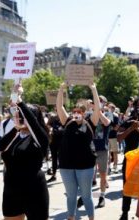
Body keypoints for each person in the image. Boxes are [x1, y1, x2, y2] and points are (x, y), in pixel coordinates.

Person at [0, 84, 50, 219]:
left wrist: (20, 101)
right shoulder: (15, 135)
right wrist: (16, 127)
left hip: (34, 190)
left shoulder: (40, 138)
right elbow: (0, 146)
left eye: (23, 115)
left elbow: (33, 125)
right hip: (11, 190)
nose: (20, 117)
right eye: (19, 115)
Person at [56, 82, 101, 220]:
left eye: (79, 112)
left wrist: (94, 90)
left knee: (86, 196)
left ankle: (91, 218)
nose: (76, 114)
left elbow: (98, 109)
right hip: (66, 165)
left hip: (85, 166)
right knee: (71, 196)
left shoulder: (90, 123)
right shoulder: (67, 122)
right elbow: (59, 106)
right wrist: (61, 89)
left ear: (84, 113)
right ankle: (71, 217)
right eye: (74, 111)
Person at [91, 95, 111, 209]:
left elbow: (106, 122)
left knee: (103, 174)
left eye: (100, 101)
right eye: (96, 101)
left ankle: (102, 196)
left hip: (102, 149)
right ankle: (86, 196)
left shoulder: (108, 114)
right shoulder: (90, 114)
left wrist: (97, 111)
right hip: (91, 149)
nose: (98, 103)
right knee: (88, 174)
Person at [46, 112, 64, 182]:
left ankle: (64, 175)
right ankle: (54, 175)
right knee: (54, 158)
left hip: (61, 142)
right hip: (53, 141)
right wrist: (50, 129)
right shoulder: (53, 117)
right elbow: (47, 125)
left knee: (61, 158)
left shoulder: (65, 118)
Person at [107, 103, 120, 173]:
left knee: (115, 152)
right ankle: (108, 167)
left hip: (113, 137)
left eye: (111, 107)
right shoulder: (105, 115)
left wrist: (111, 127)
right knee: (107, 153)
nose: (109, 109)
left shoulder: (115, 116)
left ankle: (115, 166)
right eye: (109, 107)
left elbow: (116, 127)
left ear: (113, 109)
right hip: (106, 137)